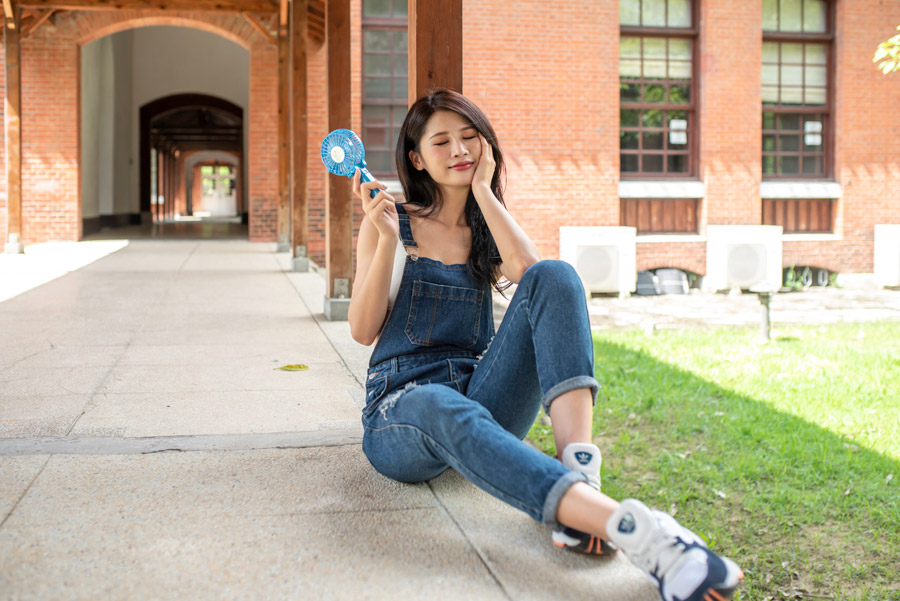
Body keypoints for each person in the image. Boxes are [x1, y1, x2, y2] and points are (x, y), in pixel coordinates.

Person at [348, 88, 743, 601]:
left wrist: (485, 195)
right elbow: (362, 330)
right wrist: (382, 239)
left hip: (479, 394)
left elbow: (538, 280)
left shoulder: (485, 227)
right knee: (433, 400)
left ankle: (579, 471)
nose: (459, 150)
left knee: (556, 273)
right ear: (417, 159)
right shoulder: (390, 220)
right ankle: (639, 534)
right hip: (401, 411)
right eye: (441, 141)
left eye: (469, 137)